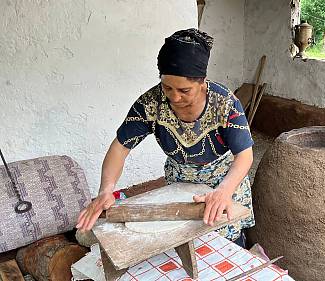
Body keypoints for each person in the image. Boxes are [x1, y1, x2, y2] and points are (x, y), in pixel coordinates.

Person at [76, 28, 254, 247]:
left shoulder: (225, 104)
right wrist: (105, 190)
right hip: (179, 183)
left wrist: (223, 192)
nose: (174, 97)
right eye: (167, 87)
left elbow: (244, 155)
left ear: (202, 82)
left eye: (184, 90)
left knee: (226, 243)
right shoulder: (151, 103)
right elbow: (120, 147)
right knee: (186, 242)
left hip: (224, 181)